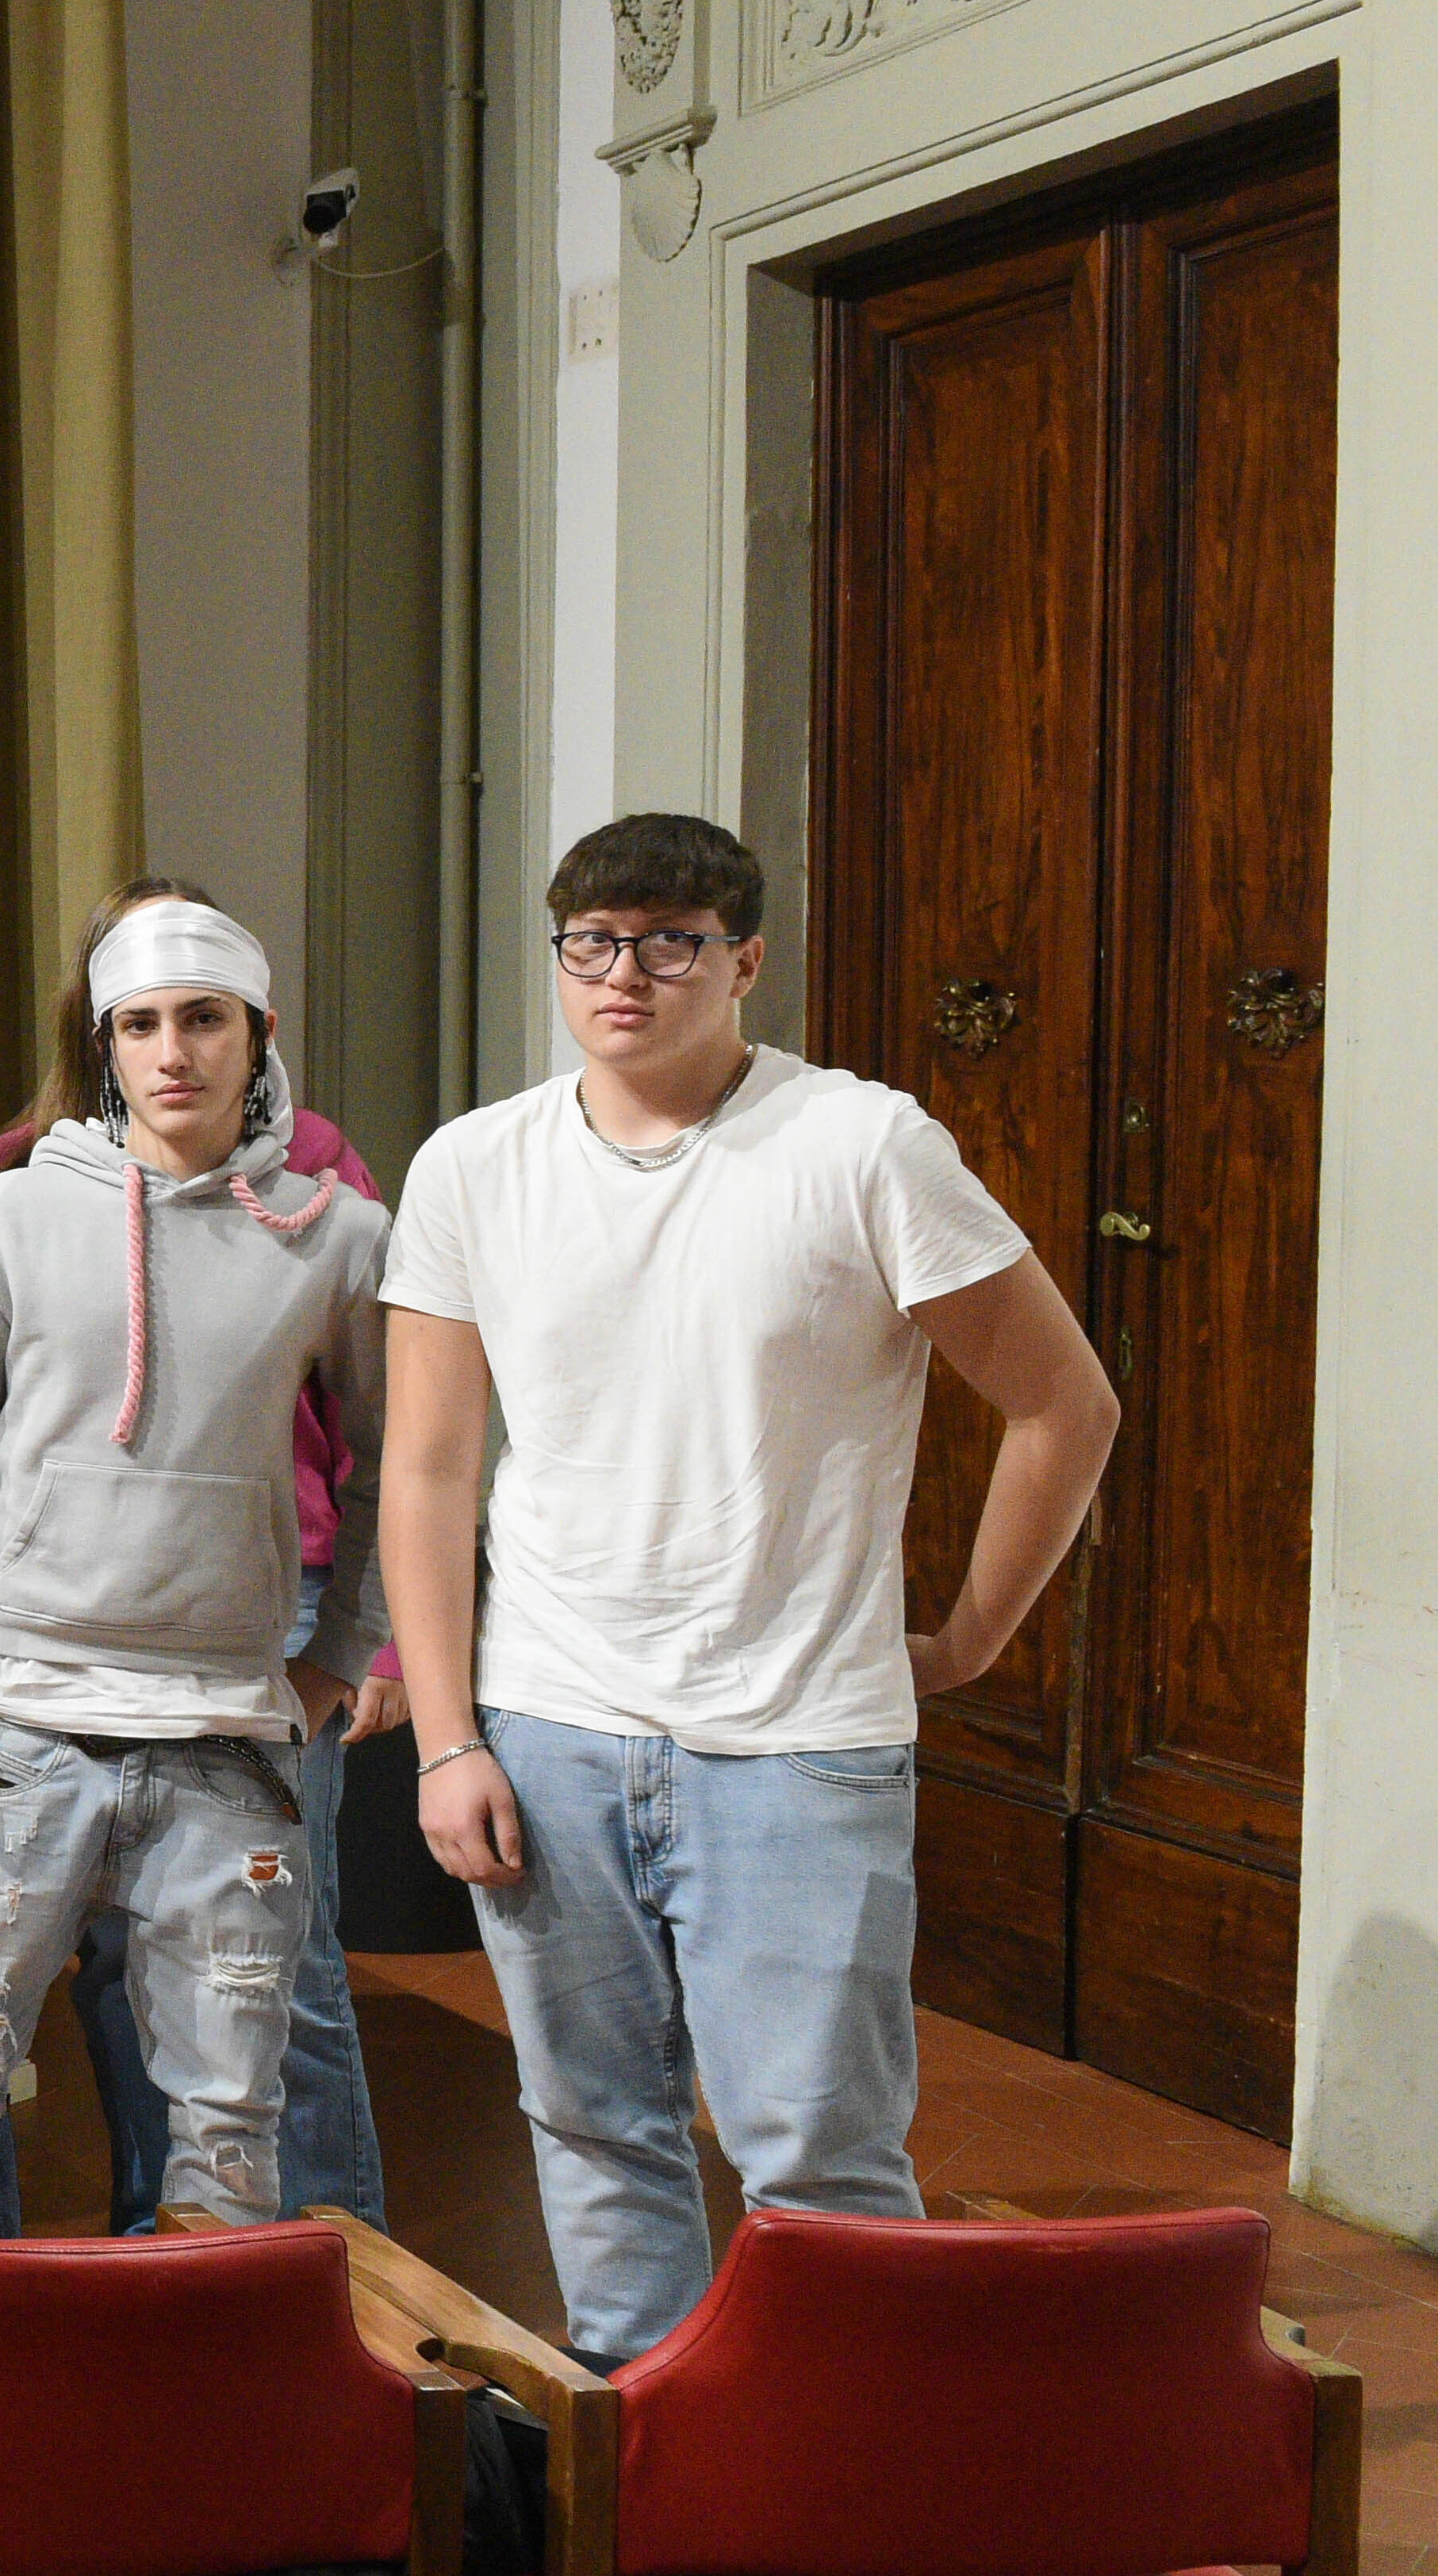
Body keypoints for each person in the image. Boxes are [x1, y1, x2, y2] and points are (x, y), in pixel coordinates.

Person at [385, 814, 1114, 2361]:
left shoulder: (860, 1145)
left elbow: (1066, 1402)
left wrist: (970, 1638)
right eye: (592, 940)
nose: (624, 973)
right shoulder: (477, 1164)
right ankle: (643, 2433)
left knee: (819, 2154)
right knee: (591, 2119)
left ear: (745, 961)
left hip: (796, 1733)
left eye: (670, 940)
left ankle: (839, 2458)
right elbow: (431, 1471)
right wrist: (447, 1738)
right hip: (552, 1720)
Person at [0, 897, 389, 2237]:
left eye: (204, 1020)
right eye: (141, 1024)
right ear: (104, 1043)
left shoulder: (335, 1237)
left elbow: (402, 1466)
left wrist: (344, 1651)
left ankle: (208, 2361)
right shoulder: (8, 1219)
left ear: (258, 1032)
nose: (173, 1052)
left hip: (228, 1736)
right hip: (22, 1726)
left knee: (230, 2117)